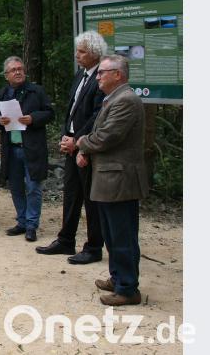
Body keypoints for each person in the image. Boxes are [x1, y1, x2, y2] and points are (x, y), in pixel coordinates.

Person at [76, 55, 147, 306]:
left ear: (118, 74)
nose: (97, 77)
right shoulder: (113, 98)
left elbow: (106, 137)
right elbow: (100, 134)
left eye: (102, 73)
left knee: (122, 235)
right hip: (108, 179)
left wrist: (81, 144)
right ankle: (118, 279)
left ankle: (128, 289)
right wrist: (86, 151)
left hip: (120, 180)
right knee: (112, 234)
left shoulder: (126, 100)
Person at [36, 31, 106, 264]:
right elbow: (73, 109)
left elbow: (98, 115)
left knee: (90, 198)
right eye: (77, 50)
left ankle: (94, 247)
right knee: (71, 194)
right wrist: (67, 136)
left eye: (82, 51)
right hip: (71, 143)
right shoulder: (81, 75)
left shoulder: (100, 79)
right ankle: (66, 239)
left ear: (95, 54)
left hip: (87, 145)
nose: (77, 55)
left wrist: (78, 140)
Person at [0, 56, 54, 242]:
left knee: (33, 186)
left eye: (20, 69)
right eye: (13, 70)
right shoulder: (2, 93)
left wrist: (33, 118)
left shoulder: (36, 91)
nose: (18, 72)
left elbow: (50, 113)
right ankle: (21, 221)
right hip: (10, 147)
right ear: (6, 75)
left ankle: (31, 224)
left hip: (31, 147)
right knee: (16, 187)